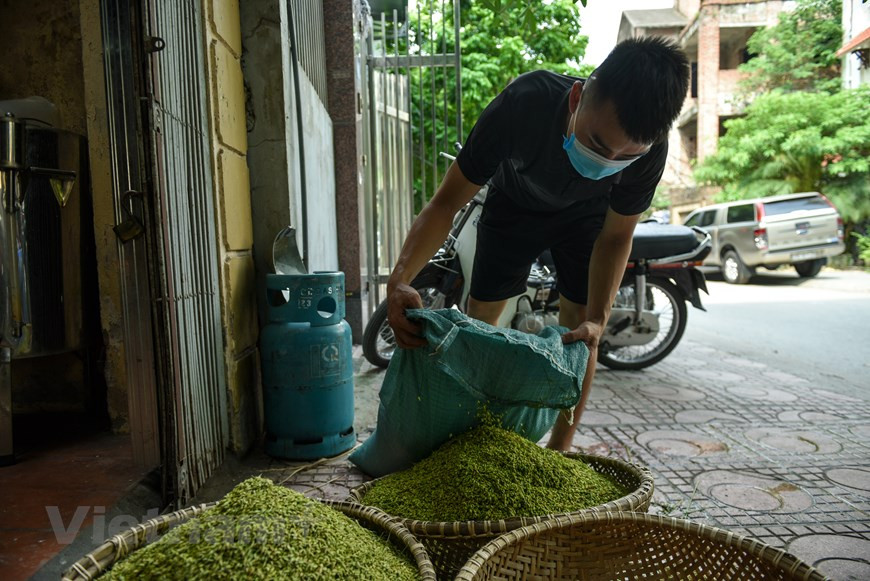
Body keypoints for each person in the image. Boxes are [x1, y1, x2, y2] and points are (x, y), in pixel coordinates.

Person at [386, 36, 690, 450]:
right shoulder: (523, 103)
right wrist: (400, 278)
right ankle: (471, 439)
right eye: (598, 145)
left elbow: (617, 235)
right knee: (481, 318)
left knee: (582, 332)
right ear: (577, 99)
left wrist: (599, 320)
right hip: (514, 206)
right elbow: (445, 203)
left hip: (587, 220)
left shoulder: (652, 151)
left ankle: (559, 453)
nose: (607, 162)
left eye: (625, 158)